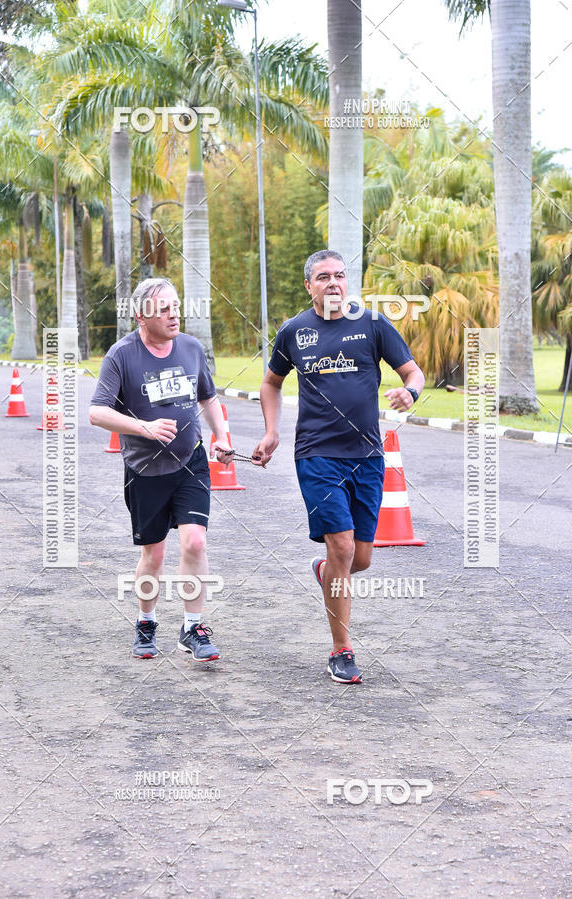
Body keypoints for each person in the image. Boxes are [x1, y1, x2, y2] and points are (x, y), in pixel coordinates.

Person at [253, 250, 425, 684]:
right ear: (309, 285)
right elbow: (271, 382)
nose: (333, 283)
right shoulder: (294, 331)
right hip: (316, 454)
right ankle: (341, 650)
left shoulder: (372, 324)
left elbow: (413, 372)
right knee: (344, 549)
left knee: (359, 559)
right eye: (323, 277)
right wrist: (272, 431)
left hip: (367, 456)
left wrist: (411, 393)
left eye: (340, 276)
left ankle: (325, 570)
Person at [89, 277, 232, 661]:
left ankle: (192, 627)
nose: (174, 314)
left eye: (176, 305)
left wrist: (221, 436)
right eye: (163, 309)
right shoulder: (121, 355)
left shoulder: (190, 347)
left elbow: (207, 396)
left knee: (195, 542)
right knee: (153, 555)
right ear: (140, 317)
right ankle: (146, 620)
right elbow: (96, 412)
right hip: (145, 470)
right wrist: (145, 428)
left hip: (191, 462)